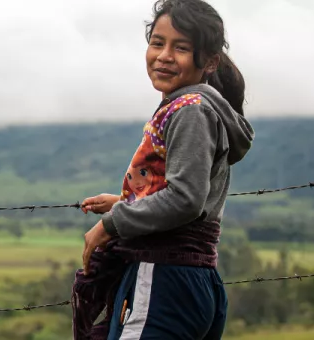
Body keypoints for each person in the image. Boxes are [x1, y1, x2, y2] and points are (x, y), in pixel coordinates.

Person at [72, 0, 255, 338]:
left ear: (210, 61)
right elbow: (185, 192)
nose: (164, 55)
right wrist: (127, 201)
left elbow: (186, 200)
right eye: (157, 42)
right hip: (191, 278)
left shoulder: (191, 110)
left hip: (164, 276)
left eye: (181, 48)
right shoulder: (192, 107)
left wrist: (112, 224)